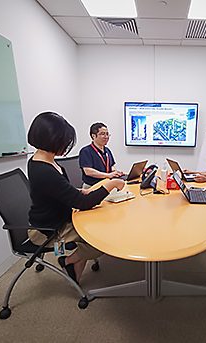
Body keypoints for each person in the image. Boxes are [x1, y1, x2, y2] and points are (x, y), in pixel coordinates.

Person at [27, 112, 125, 284]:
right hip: (49, 229)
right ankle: (67, 261)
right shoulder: (43, 169)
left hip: (62, 215)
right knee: (103, 238)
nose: (66, 145)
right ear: (52, 140)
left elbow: (58, 190)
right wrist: (111, 183)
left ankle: (74, 271)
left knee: (102, 222)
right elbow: (83, 204)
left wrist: (77, 191)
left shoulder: (46, 160)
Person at [79, 123, 123, 187]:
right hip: (92, 186)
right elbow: (88, 171)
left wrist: (115, 172)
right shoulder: (86, 151)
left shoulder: (107, 150)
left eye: (107, 134)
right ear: (93, 136)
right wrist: (108, 175)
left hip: (106, 184)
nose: (106, 137)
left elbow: (111, 166)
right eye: (102, 134)